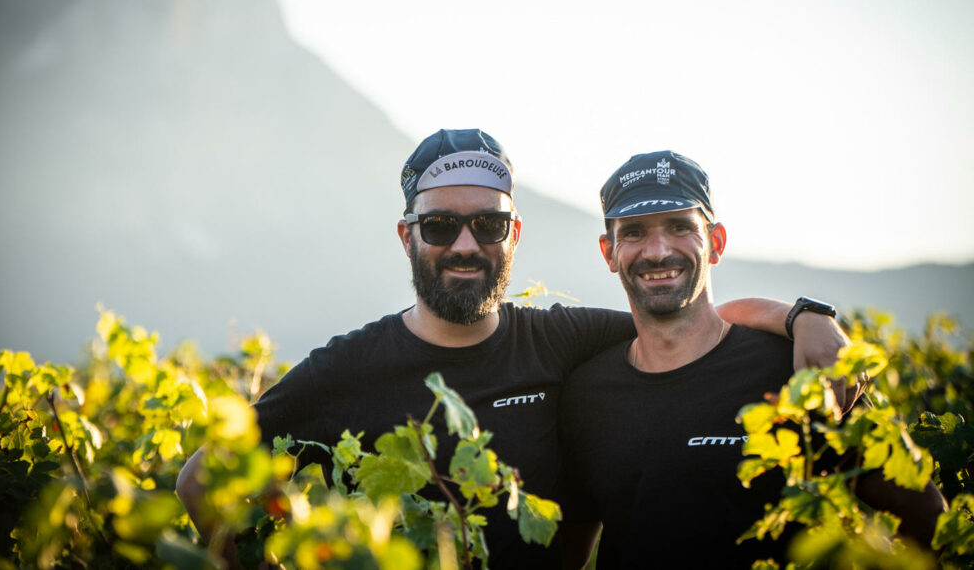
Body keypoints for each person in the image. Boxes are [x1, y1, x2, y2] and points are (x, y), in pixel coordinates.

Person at [176, 131, 852, 569]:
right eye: (440, 224)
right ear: (407, 236)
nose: (465, 244)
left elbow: (688, 321)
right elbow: (201, 477)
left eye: (487, 223)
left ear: (515, 233)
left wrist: (803, 316)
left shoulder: (563, 340)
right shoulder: (346, 367)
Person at [559, 151, 947, 569]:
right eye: (633, 232)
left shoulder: (800, 370)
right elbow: (570, 555)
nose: (657, 251)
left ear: (716, 243)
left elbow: (927, 518)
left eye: (679, 227)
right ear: (609, 252)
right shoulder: (586, 394)